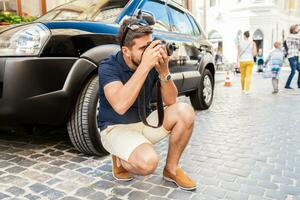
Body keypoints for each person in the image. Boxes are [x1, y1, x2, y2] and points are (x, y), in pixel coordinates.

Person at [97, 17, 196, 191]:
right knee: (148, 163)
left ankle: (171, 169)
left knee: (185, 111)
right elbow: (120, 105)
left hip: (144, 124)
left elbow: (171, 102)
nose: (150, 52)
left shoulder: (151, 64)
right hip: (116, 128)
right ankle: (120, 157)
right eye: (143, 48)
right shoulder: (108, 66)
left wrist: (163, 71)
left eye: (150, 45)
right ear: (126, 51)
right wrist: (145, 66)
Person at [284, 24, 300, 89]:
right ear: (293, 29)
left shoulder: (296, 37)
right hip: (292, 56)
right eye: (297, 28)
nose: (298, 29)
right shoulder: (290, 36)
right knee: (293, 71)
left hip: (296, 56)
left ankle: (299, 85)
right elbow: (298, 42)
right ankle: (287, 85)